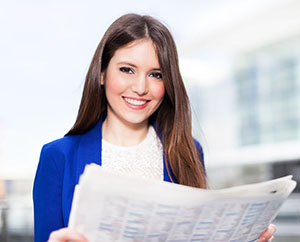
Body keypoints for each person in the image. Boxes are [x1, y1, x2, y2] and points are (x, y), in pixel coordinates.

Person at [33, 13, 276, 242]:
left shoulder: (188, 151)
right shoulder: (58, 157)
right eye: (127, 70)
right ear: (102, 74)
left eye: (156, 75)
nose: (140, 87)